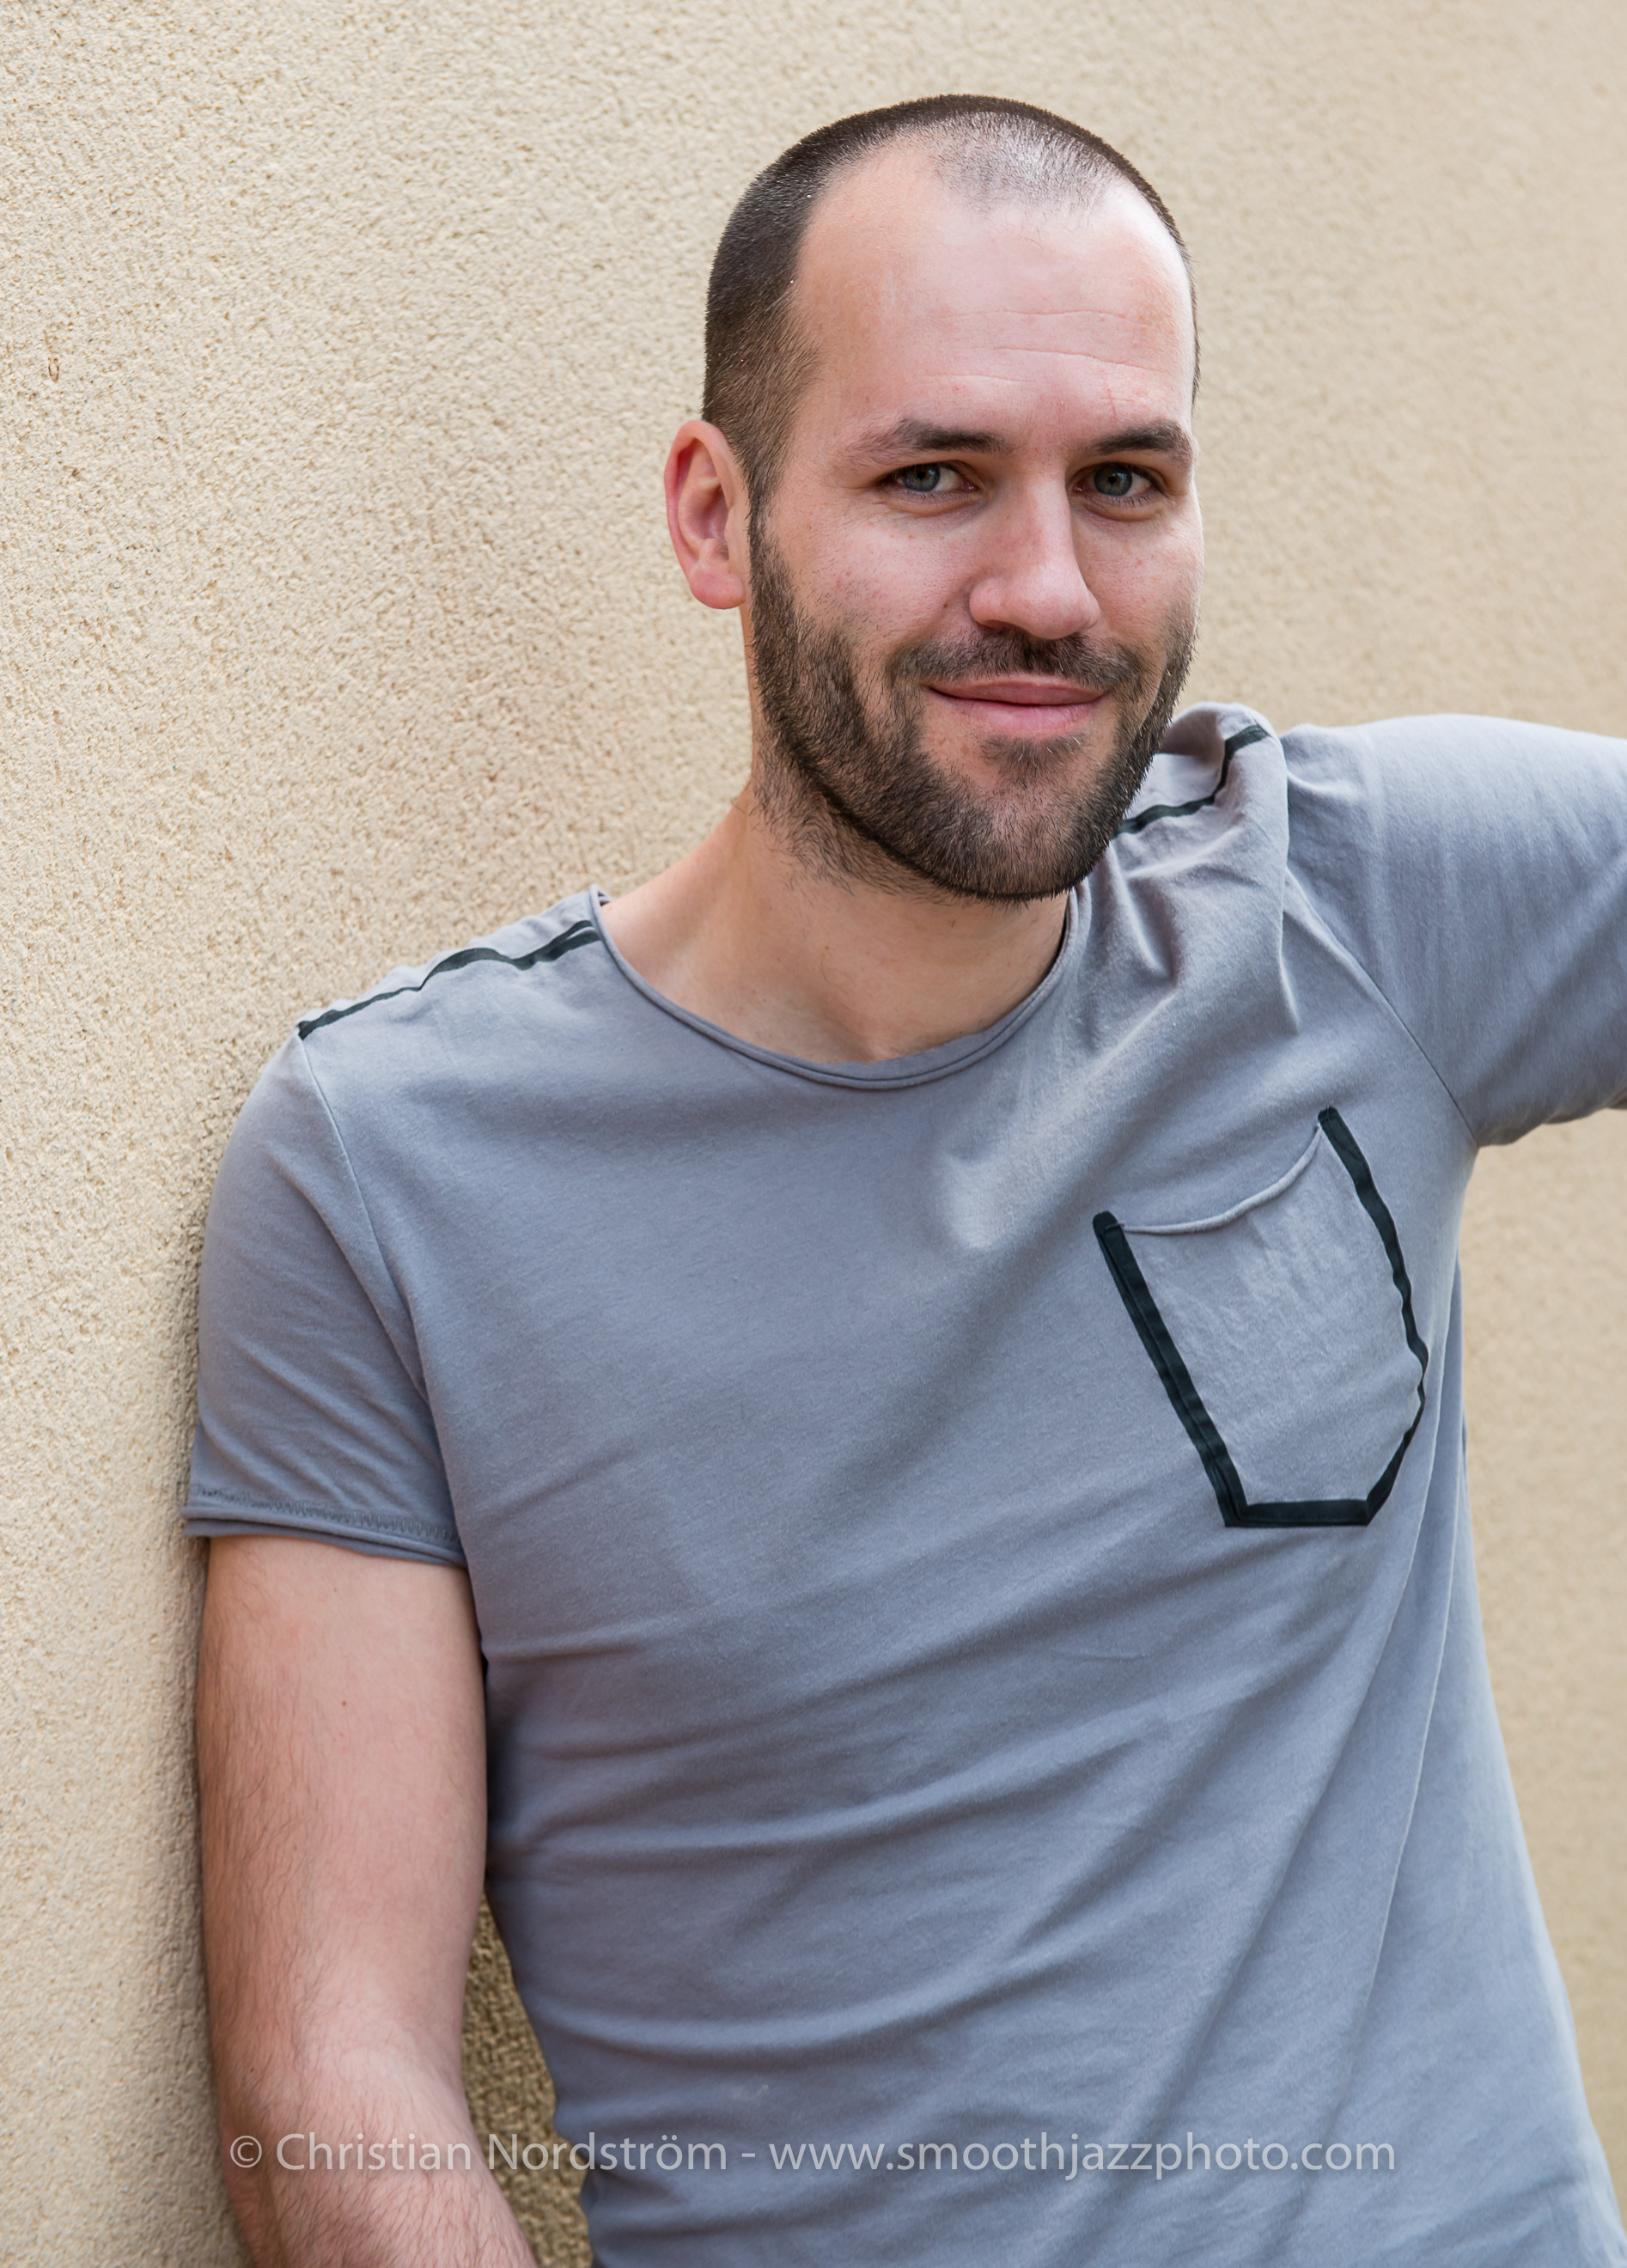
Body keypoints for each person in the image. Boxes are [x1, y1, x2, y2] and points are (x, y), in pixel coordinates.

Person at [189, 94, 1627, 2267]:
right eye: (931, 476)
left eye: (1121, 481)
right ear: (716, 515)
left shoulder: (1355, 907)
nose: (1043, 590)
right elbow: (336, 2080)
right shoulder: (392, 1168)